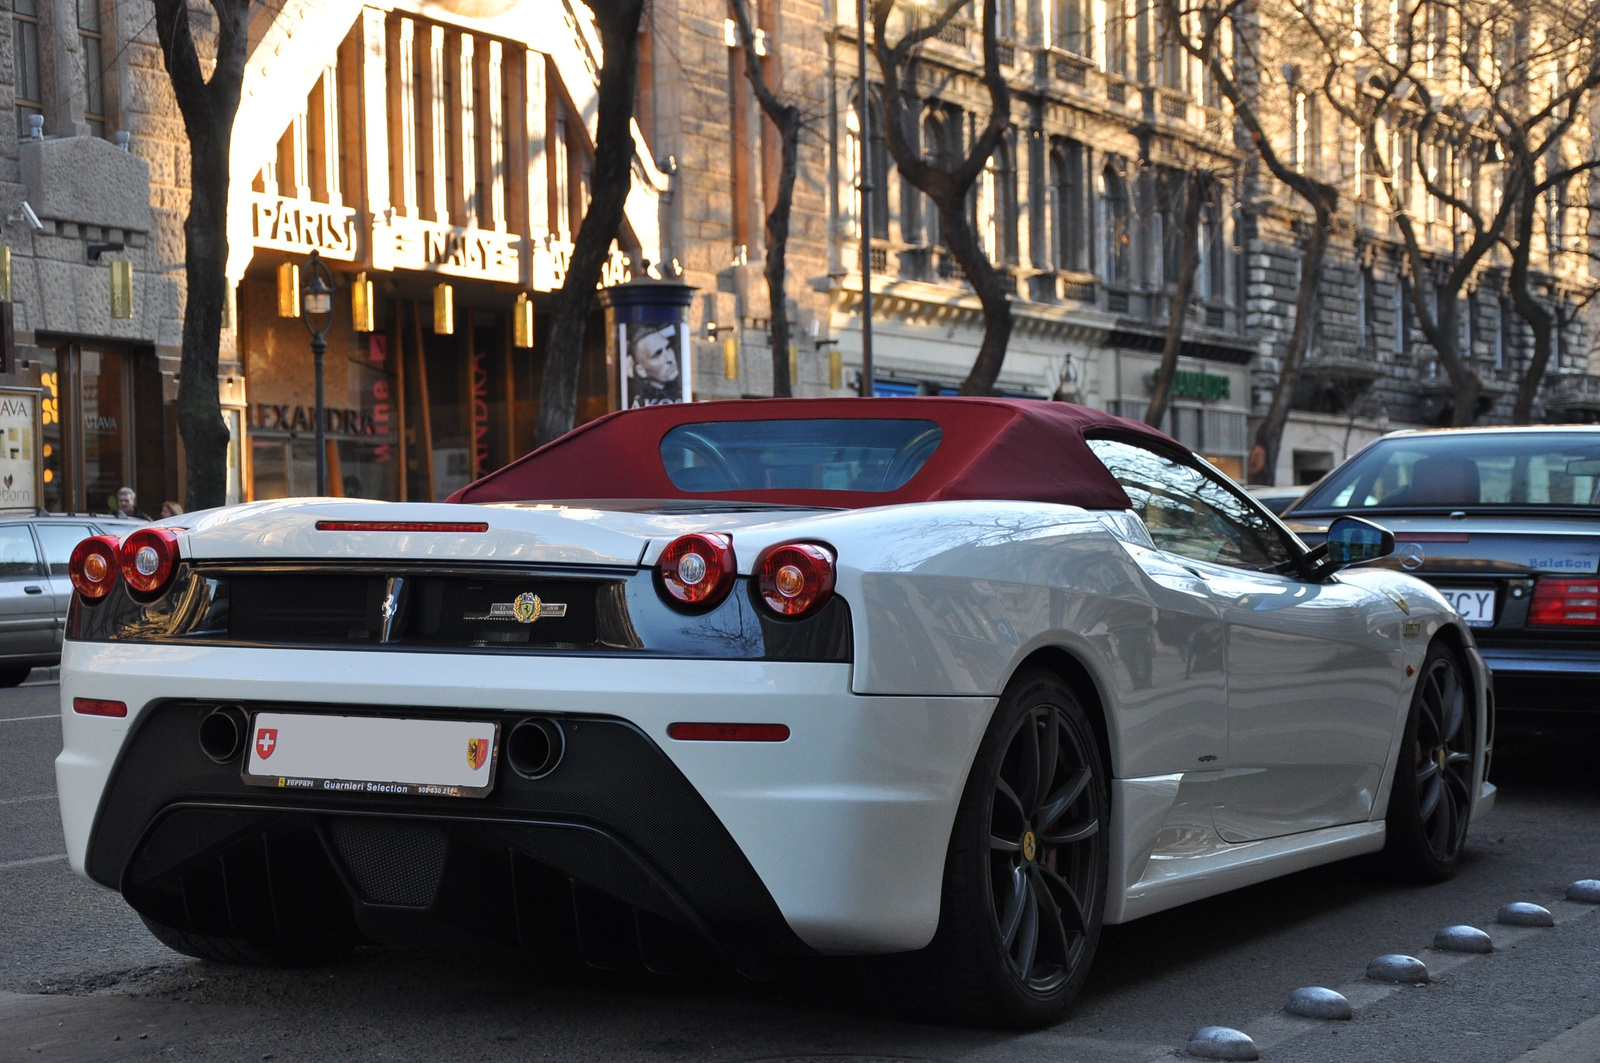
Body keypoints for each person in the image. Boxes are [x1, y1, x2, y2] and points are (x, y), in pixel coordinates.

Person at [626, 323, 682, 406]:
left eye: (668, 347)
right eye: (658, 353)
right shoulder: (634, 399)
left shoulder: (682, 391)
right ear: (641, 371)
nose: (669, 359)